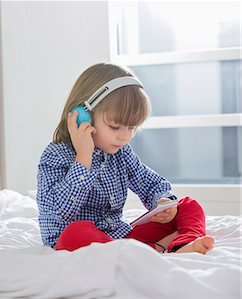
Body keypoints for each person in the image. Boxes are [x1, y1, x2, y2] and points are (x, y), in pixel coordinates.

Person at [36, 62, 214, 254]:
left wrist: (162, 202)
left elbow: (149, 182)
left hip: (119, 237)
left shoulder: (121, 152)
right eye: (115, 127)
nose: (125, 136)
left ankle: (180, 245)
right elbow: (60, 211)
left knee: (187, 206)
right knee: (76, 233)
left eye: (132, 128)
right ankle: (155, 248)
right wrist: (83, 157)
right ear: (83, 117)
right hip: (76, 241)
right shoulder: (55, 156)